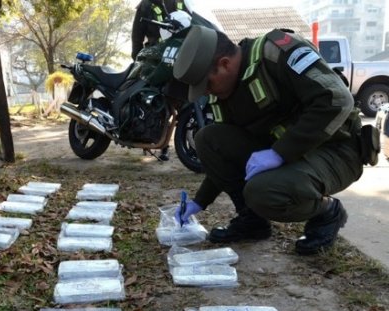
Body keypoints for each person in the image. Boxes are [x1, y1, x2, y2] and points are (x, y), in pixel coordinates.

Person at [171, 26, 365, 255]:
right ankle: (253, 221)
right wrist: (200, 201)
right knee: (208, 138)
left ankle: (327, 210)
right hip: (290, 151)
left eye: (208, 84)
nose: (207, 93)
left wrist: (279, 153)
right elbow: (224, 155)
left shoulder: (277, 51)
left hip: (336, 149)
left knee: (262, 191)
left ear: (224, 64)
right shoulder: (227, 91)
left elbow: (338, 100)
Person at [131, 0, 218, 161]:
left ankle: (187, 136)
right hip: (156, 57)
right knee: (158, 101)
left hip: (180, 52)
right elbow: (137, 35)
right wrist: (137, 56)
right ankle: (160, 142)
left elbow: (194, 22)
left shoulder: (182, 2)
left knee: (181, 98)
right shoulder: (145, 5)